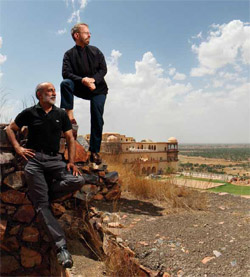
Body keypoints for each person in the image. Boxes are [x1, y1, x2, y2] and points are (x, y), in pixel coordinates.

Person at [6, 82, 90, 268]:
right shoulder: (29, 112)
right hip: (34, 159)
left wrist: (71, 161)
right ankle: (62, 248)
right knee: (42, 207)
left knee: (78, 179)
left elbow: (69, 138)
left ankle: (42, 195)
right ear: (39, 94)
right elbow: (9, 129)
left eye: (54, 90)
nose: (53, 93)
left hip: (55, 160)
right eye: (49, 91)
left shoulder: (60, 114)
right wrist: (18, 147)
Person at [60, 23, 108, 165]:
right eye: (86, 32)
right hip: (81, 86)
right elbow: (66, 73)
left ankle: (94, 151)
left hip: (98, 89)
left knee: (97, 117)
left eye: (89, 32)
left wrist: (93, 80)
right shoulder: (69, 54)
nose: (89, 35)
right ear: (77, 35)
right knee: (66, 84)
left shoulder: (95, 51)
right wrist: (83, 80)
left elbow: (103, 69)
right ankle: (70, 117)